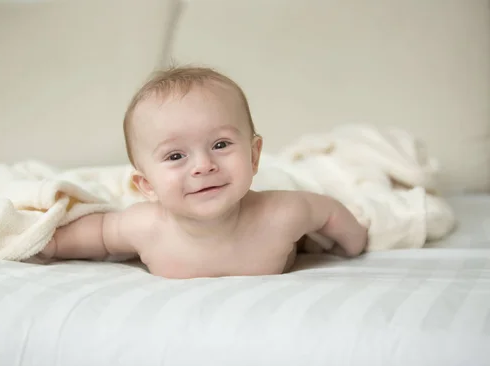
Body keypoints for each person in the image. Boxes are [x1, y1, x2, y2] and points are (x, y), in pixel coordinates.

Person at [39, 66, 368, 278]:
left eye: (221, 145)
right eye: (176, 155)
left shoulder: (283, 213)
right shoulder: (144, 226)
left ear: (254, 156)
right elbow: (98, 235)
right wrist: (49, 244)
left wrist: (352, 243)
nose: (203, 165)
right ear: (147, 185)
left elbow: (329, 213)